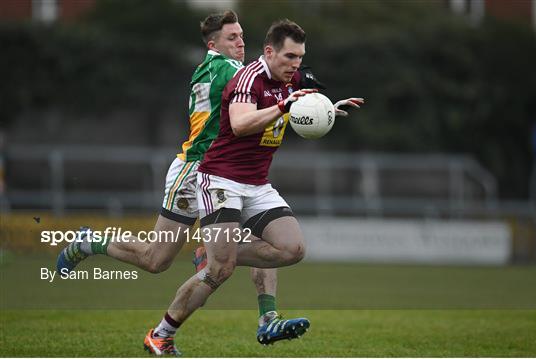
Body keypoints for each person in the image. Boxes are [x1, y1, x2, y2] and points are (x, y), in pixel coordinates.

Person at [56, 10, 342, 356]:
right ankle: (91, 242)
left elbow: (277, 80)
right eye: (232, 37)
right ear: (213, 44)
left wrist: (316, 104)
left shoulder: (224, 68)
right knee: (155, 259)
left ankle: (267, 317)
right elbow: (262, 86)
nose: (240, 42)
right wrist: (296, 93)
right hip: (195, 171)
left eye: (241, 35)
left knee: (252, 244)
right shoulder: (230, 69)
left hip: (229, 173)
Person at [157, 18, 363, 355]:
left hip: (256, 184)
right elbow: (239, 124)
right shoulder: (247, 78)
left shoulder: (291, 78)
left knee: (292, 249)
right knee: (218, 270)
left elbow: (303, 103)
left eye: (299, 57)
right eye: (289, 58)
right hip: (220, 179)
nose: (296, 66)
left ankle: (229, 272)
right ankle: (162, 334)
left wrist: (327, 109)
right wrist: (283, 106)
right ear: (269, 52)